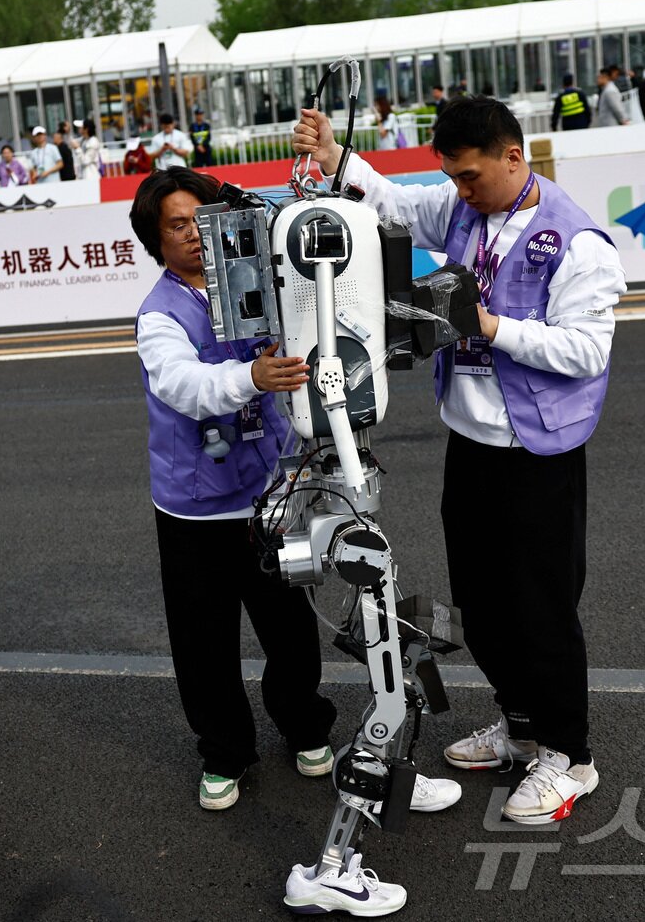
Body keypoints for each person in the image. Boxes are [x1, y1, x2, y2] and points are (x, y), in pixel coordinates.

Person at [293, 95, 623, 825]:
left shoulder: (579, 241)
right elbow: (396, 205)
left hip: (538, 454)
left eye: (471, 176)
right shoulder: (464, 208)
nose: (460, 192)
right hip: (469, 445)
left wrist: (493, 325)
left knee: (542, 610)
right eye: (453, 177)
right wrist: (333, 160)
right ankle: (520, 725)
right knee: (483, 607)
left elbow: (586, 350)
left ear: (515, 156)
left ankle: (571, 756)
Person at [129, 167, 461, 821]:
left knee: (289, 626)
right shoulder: (158, 317)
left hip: (273, 493)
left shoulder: (259, 283)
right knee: (205, 640)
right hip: (195, 508)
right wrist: (252, 375)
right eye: (176, 225)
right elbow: (184, 387)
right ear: (154, 240)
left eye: (203, 220)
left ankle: (307, 725)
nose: (195, 235)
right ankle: (224, 752)